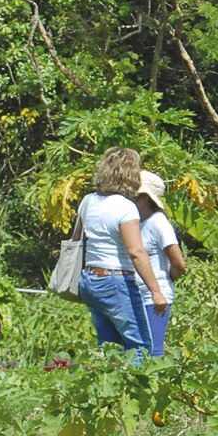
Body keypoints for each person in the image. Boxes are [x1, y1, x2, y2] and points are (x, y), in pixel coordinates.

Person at [73, 147, 168, 354]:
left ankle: (109, 384)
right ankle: (137, 386)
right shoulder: (125, 207)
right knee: (140, 347)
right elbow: (136, 252)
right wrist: (156, 291)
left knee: (109, 347)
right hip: (116, 280)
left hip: (90, 280)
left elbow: (76, 240)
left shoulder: (88, 201)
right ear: (130, 175)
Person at [134, 170, 186, 357]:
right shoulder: (136, 223)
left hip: (155, 298)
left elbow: (179, 262)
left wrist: (166, 279)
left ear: (147, 198)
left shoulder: (158, 222)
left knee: (152, 352)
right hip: (137, 294)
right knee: (136, 353)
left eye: (136, 195)